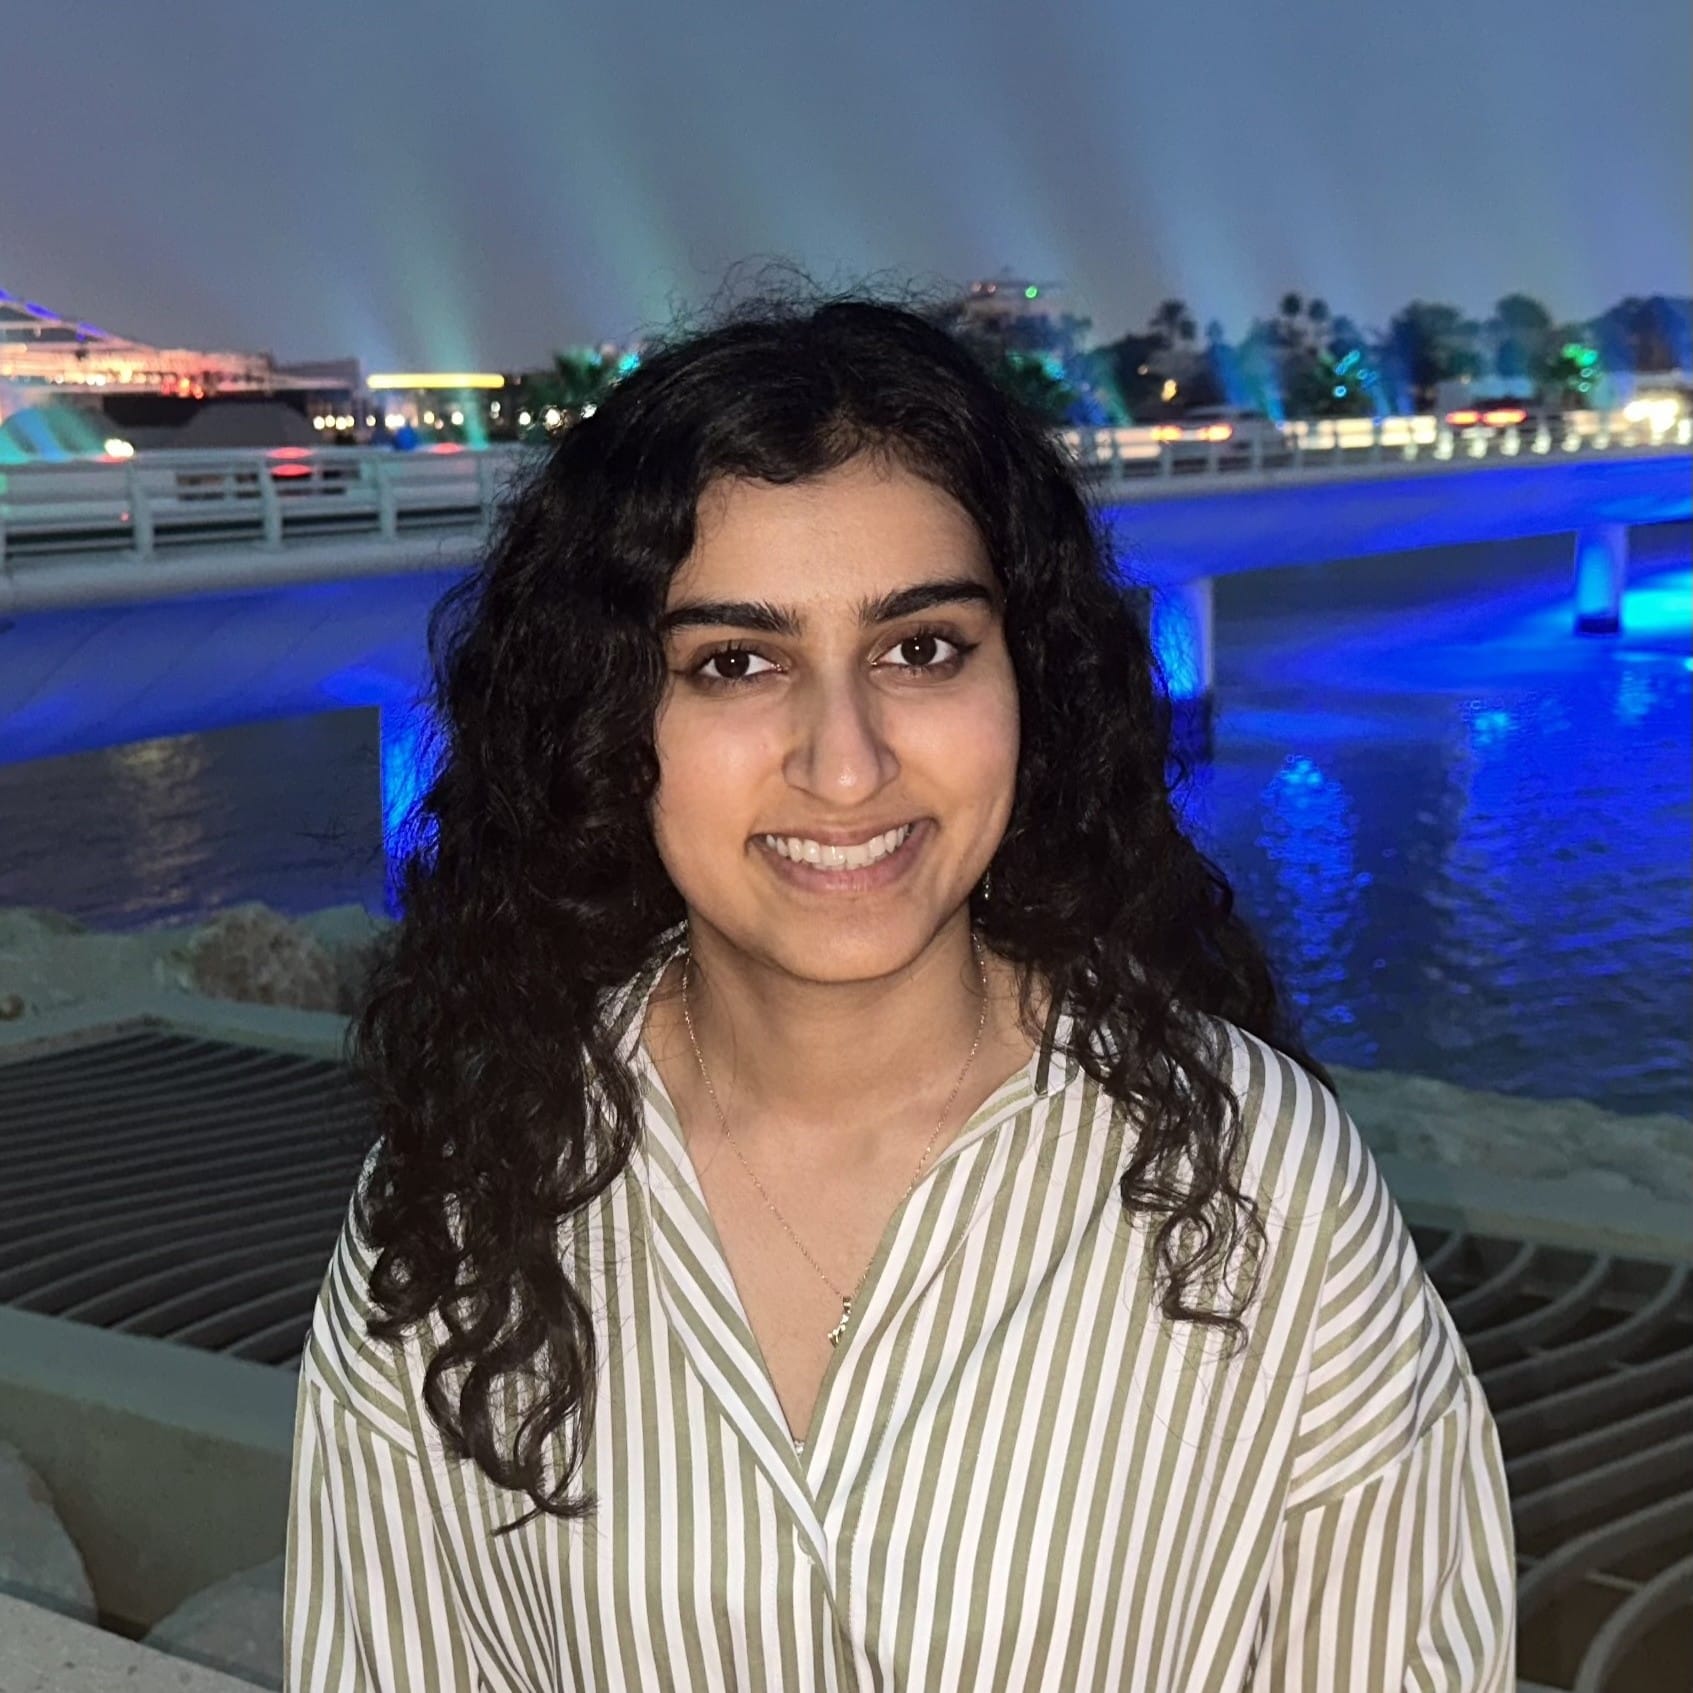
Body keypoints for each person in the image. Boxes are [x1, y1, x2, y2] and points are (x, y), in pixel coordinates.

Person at [283, 294, 1516, 1691]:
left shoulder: (1255, 1180)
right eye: (735, 663)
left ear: (1027, 679)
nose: (847, 763)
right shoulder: (466, 1192)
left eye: (920, 647)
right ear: (606, 718)